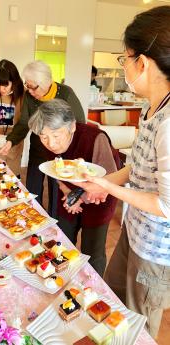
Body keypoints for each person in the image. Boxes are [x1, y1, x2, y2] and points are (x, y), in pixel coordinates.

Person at [72, 6, 170, 339]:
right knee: (113, 303)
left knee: (138, 326)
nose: (124, 65)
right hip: (135, 230)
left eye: (124, 58)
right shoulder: (151, 108)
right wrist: (97, 183)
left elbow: (166, 205)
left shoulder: (169, 124)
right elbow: (136, 168)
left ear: (142, 63)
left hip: (156, 248)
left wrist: (108, 189)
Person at [28, 99, 120, 276]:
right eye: (43, 136)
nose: (51, 143)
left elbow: (110, 182)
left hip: (101, 198)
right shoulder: (49, 142)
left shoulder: (94, 138)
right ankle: (63, 279)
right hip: (71, 193)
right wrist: (68, 193)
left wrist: (82, 197)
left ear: (72, 127)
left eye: (56, 136)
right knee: (62, 240)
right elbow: (56, 171)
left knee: (92, 251)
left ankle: (93, 288)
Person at [0, 60, 86, 215]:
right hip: (39, 146)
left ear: (46, 83)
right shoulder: (29, 95)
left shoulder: (66, 93)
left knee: (56, 187)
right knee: (33, 184)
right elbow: (25, 122)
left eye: (33, 87)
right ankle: (33, 215)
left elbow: (79, 123)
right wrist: (11, 140)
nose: (29, 90)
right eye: (27, 85)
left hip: (60, 150)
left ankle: (54, 220)